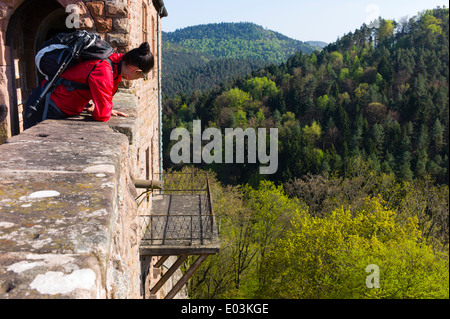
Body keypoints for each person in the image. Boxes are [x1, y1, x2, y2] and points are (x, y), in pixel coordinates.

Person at [25, 42, 154, 127]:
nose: (139, 78)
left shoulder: (113, 63)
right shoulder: (105, 71)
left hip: (53, 104)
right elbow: (102, 115)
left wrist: (102, 107)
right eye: (142, 76)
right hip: (46, 108)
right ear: (136, 70)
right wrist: (105, 109)